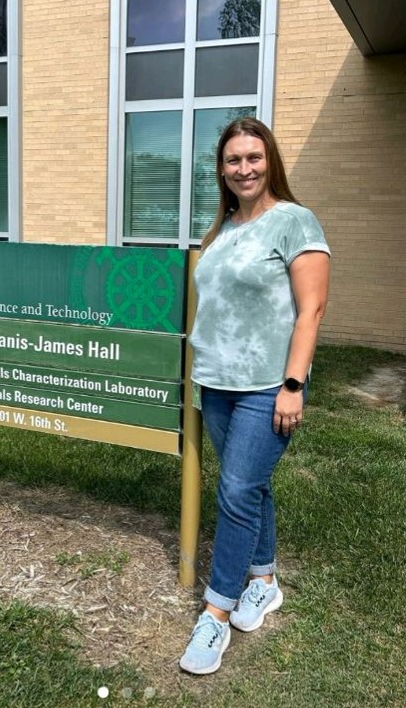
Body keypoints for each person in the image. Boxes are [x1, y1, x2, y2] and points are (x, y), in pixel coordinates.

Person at [179, 117, 331, 675]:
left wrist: (293, 384)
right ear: (221, 169)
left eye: (254, 157)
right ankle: (264, 581)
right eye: (233, 160)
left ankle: (215, 615)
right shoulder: (219, 231)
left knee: (237, 488)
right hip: (216, 382)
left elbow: (311, 310)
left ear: (271, 162)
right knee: (250, 485)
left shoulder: (294, 222)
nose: (244, 168)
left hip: (268, 384)